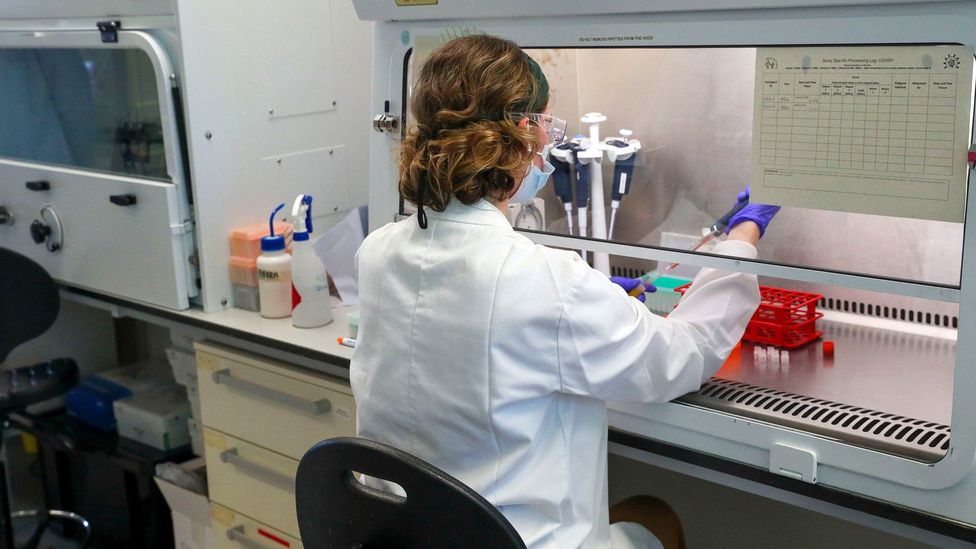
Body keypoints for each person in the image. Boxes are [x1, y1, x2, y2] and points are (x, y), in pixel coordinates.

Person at [351, 35, 778, 549]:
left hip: (411, 541)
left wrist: (594, 300)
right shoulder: (544, 281)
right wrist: (739, 242)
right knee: (656, 516)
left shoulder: (376, 253)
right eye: (549, 127)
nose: (550, 147)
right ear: (523, 136)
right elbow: (682, 357)